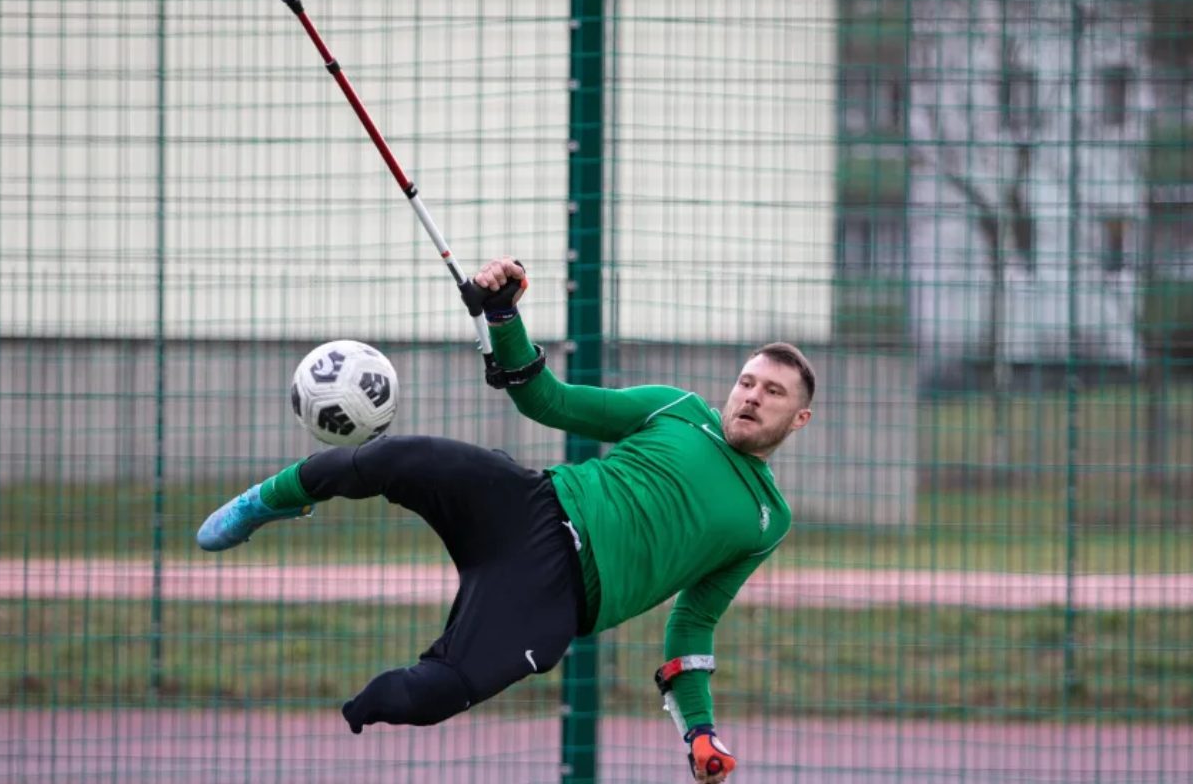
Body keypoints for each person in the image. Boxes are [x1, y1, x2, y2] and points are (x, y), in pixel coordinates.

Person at [196, 256, 814, 784]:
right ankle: (270, 499)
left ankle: (335, 724)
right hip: (529, 505)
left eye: (772, 392)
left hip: (555, 599)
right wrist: (503, 313)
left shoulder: (766, 521)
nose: (751, 396)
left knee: (434, 693)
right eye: (746, 381)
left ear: (799, 419)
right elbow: (547, 399)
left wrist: (699, 731)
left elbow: (694, 624)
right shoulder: (677, 410)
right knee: (397, 456)